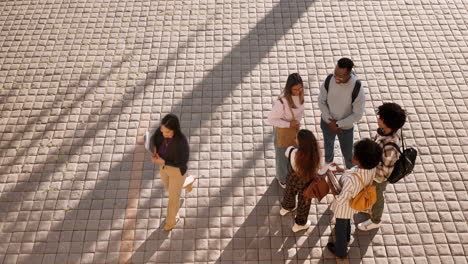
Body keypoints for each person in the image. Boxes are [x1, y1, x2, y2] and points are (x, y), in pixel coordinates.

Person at [328, 138, 383, 258]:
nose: (352, 155)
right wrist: (341, 170)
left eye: (354, 154)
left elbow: (341, 199)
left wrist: (331, 184)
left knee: (340, 228)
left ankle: (340, 252)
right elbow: (355, 172)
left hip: (343, 208)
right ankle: (347, 236)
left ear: (358, 160)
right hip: (355, 204)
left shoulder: (350, 179)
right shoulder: (371, 169)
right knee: (347, 221)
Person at [357, 103, 407, 231]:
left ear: (387, 123)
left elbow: (384, 170)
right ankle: (369, 208)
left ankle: (375, 220)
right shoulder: (385, 131)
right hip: (373, 173)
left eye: (381, 118)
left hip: (378, 178)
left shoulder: (390, 146)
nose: (378, 119)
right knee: (370, 193)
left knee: (377, 198)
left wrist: (368, 167)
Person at [318, 58, 365, 174]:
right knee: (328, 148)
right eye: (335, 74)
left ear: (349, 74)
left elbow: (358, 115)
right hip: (327, 123)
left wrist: (338, 124)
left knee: (348, 154)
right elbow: (321, 101)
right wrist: (330, 121)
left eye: (340, 76)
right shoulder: (329, 79)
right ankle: (328, 168)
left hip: (345, 128)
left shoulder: (357, 88)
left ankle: (352, 175)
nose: (336, 78)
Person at [151, 114, 192, 231]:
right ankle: (188, 181)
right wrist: (154, 152)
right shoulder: (160, 133)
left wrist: (163, 161)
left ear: (175, 129)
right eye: (163, 131)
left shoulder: (182, 142)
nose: (164, 134)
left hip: (177, 170)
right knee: (170, 188)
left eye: (168, 132)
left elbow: (182, 162)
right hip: (163, 168)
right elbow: (154, 141)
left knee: (173, 198)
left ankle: (171, 221)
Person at [267, 73, 305, 188]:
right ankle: (282, 178)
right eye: (295, 89)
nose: (297, 92)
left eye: (300, 89)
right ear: (289, 88)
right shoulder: (281, 102)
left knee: (293, 153)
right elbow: (271, 120)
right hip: (283, 132)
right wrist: (288, 124)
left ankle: (290, 173)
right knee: (282, 157)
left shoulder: (301, 95)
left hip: (294, 130)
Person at [279, 129, 320, 232]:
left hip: (292, 177)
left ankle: (286, 208)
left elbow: (285, 154)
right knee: (304, 202)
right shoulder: (315, 156)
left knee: (289, 192)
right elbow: (320, 170)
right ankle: (299, 224)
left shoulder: (291, 151)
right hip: (307, 181)